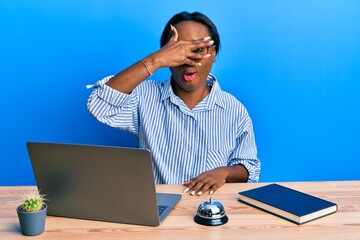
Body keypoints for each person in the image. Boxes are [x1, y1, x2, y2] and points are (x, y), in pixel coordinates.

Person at [87, 11, 260, 196]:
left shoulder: (233, 109)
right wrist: (155, 60)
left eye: (198, 50)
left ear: (213, 52)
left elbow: (249, 166)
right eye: (178, 51)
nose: (188, 60)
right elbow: (99, 105)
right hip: (157, 210)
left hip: (210, 213)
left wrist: (224, 172)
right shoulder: (144, 96)